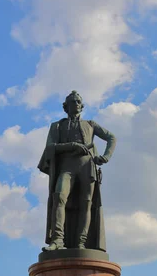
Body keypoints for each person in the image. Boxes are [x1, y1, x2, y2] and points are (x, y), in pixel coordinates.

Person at [38, 90, 116, 251]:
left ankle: (82, 242)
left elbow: (111, 138)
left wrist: (106, 156)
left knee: (86, 204)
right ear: (66, 107)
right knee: (59, 196)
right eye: (73, 102)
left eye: (79, 102)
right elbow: (50, 148)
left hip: (87, 167)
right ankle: (58, 240)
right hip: (66, 167)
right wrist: (71, 146)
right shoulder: (57, 126)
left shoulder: (90, 125)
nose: (77, 104)